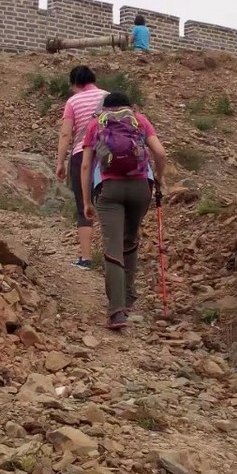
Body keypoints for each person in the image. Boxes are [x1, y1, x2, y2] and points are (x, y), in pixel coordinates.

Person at [81, 92, 167, 330]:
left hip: (110, 189)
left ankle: (117, 311)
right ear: (129, 107)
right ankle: (128, 298)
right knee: (130, 240)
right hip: (141, 188)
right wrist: (158, 178)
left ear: (105, 108)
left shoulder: (95, 124)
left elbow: (86, 165)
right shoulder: (140, 120)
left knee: (112, 248)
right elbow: (160, 154)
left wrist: (87, 201)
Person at [55, 65, 107, 267]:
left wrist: (60, 161)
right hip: (108, 157)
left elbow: (66, 134)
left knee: (83, 205)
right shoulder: (109, 97)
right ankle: (115, 256)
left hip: (81, 156)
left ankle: (86, 258)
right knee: (108, 204)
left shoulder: (73, 101)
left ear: (75, 83)